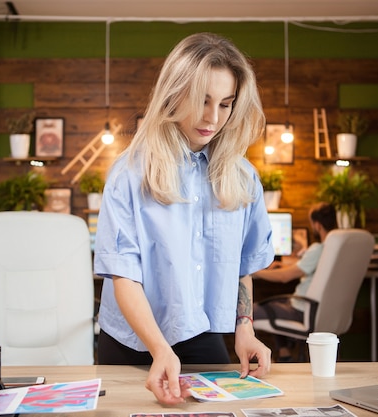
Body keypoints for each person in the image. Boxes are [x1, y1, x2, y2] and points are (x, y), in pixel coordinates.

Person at [93, 32, 274, 405]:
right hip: (129, 342)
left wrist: (244, 328)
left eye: (225, 104)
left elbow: (242, 265)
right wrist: (159, 349)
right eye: (202, 101)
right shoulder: (129, 173)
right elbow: (123, 273)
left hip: (200, 332)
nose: (212, 118)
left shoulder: (242, 178)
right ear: (175, 93)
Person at [252, 202, 337, 361]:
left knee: (252, 311)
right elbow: (305, 268)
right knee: (277, 304)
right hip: (316, 310)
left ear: (317, 225)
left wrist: (255, 272)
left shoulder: (318, 249)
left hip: (302, 311)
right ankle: (285, 354)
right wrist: (282, 265)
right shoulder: (333, 249)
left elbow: (285, 277)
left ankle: (260, 360)